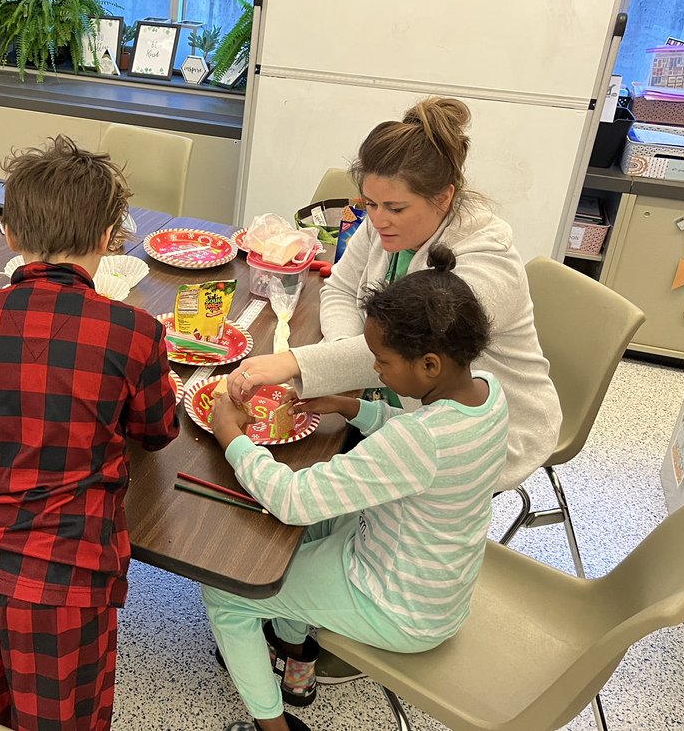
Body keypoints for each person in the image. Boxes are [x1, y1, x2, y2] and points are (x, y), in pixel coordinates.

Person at [206, 246, 509, 731]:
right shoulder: (488, 392)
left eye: (381, 362)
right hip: (430, 575)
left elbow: (293, 499)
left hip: (398, 605)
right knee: (301, 542)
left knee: (227, 589)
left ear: (429, 365)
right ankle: (295, 662)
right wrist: (352, 407)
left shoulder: (420, 440)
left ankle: (273, 727)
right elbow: (414, 450)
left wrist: (230, 435)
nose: (376, 371)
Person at [0, 136, 180, 730]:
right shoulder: (134, 330)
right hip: (66, 585)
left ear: (11, 233)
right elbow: (157, 430)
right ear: (107, 238)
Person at [231, 96, 558, 492]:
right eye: (370, 203)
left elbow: (409, 348)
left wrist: (294, 362)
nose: (378, 218)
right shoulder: (383, 222)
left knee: (308, 490)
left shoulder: (487, 261)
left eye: (395, 208)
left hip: (483, 432)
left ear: (444, 197)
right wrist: (348, 351)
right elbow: (340, 288)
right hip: (395, 404)